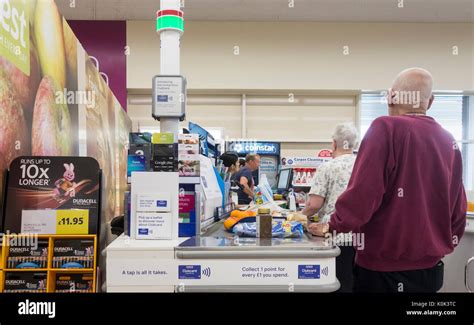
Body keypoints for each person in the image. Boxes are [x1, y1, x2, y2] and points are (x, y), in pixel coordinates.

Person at [310, 68, 467, 293]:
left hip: (382, 272)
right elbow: (458, 209)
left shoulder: (385, 128)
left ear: (391, 96)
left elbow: (363, 196)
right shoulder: (448, 140)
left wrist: (331, 226)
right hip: (430, 271)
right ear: (430, 101)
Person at [301, 122, 358, 292]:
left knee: (339, 284)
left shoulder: (327, 167)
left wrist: (298, 215)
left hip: (335, 236)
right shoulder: (364, 166)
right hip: (363, 237)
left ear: (333, 143)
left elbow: (314, 205)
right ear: (354, 143)